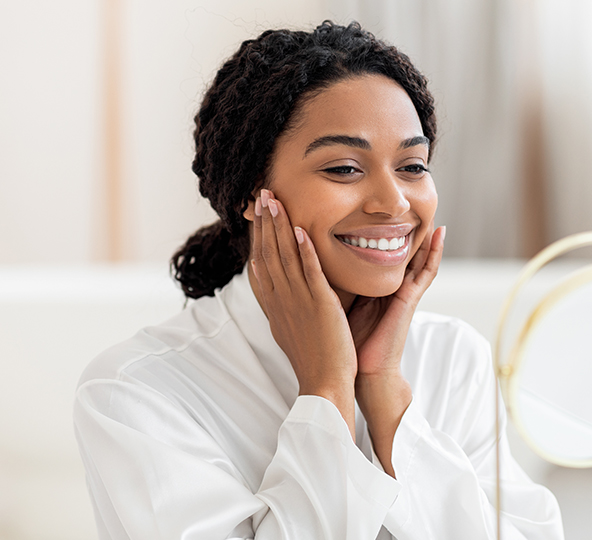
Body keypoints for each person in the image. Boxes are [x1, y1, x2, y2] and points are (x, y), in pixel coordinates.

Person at [73, 21, 563, 540]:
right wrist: (326, 392)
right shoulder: (135, 393)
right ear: (252, 195)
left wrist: (388, 402)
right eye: (345, 168)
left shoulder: (452, 358)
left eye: (412, 165)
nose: (394, 202)